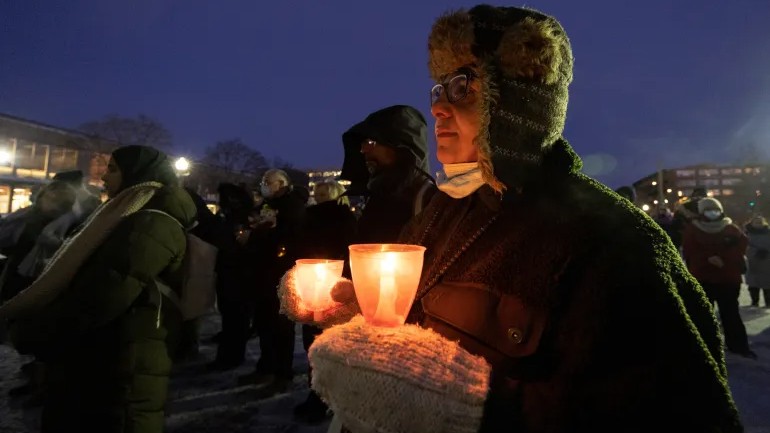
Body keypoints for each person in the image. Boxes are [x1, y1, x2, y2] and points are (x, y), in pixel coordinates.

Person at [280, 5, 743, 433]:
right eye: (438, 88)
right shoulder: (448, 209)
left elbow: (688, 414)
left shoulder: (612, 242)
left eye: (463, 85)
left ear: (520, 100)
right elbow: (410, 308)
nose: (439, 105)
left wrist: (481, 408)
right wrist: (354, 303)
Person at [1, 145, 196, 433]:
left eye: (113, 169)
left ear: (138, 172)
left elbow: (101, 298)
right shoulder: (127, 212)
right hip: (99, 360)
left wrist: (34, 332)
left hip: (120, 364)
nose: (103, 177)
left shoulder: (150, 221)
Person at [237, 168, 308, 397]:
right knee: (264, 323)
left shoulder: (292, 205)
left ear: (282, 183)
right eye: (263, 181)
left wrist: (258, 234)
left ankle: (282, 374)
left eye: (269, 181)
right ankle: (266, 367)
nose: (265, 184)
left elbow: (287, 236)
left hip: (280, 272)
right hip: (260, 272)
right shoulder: (265, 205)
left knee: (280, 326)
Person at [341, 105, 436, 242]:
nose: (363, 150)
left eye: (370, 142)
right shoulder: (377, 197)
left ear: (401, 146)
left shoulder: (430, 202)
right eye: (362, 145)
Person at [683, 197, 755, 358]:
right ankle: (705, 346)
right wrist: (708, 258)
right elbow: (690, 251)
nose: (712, 213)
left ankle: (738, 345)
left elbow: (741, 247)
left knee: (731, 314)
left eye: (715, 209)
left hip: (727, 278)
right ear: (701, 212)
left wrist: (724, 257)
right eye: (708, 210)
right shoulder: (693, 229)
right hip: (703, 277)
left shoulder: (730, 228)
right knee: (703, 315)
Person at [745, 215, 770, 308]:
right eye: (756, 222)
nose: (758, 224)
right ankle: (754, 302)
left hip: (767, 263)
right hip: (753, 263)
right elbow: (744, 246)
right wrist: (755, 252)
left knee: (767, 284)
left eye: (760, 222)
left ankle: (768, 303)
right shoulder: (747, 234)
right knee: (753, 284)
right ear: (752, 223)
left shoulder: (768, 233)